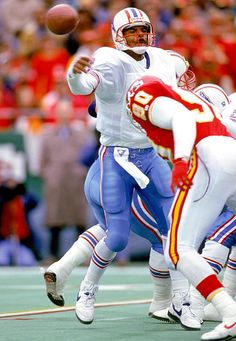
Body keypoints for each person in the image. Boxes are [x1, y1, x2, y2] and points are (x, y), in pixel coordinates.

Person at [66, 6, 201, 326]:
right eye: (131, 31)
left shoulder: (165, 59)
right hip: (116, 155)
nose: (139, 35)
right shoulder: (110, 60)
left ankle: (181, 299)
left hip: (151, 154)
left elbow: (183, 83)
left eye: (143, 29)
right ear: (117, 36)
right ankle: (87, 289)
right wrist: (74, 73)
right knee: (117, 236)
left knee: (174, 230)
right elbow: (83, 86)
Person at [127, 75, 236, 340]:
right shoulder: (195, 97)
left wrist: (180, 161)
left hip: (206, 159)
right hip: (229, 151)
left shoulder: (140, 90)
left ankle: (230, 313)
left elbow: (182, 118)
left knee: (177, 248)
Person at [40, 98, 90, 261]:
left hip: (75, 183)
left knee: (79, 220)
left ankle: (82, 257)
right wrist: (51, 175)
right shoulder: (47, 135)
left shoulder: (82, 134)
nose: (63, 114)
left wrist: (80, 172)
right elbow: (42, 162)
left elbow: (89, 157)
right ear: (55, 113)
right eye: (60, 111)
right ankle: (53, 255)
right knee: (55, 220)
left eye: (66, 110)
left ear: (71, 112)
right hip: (57, 184)